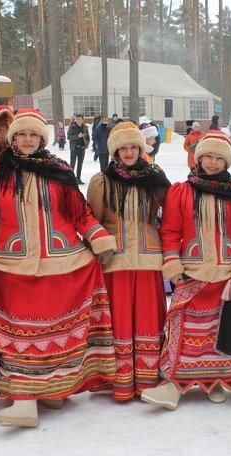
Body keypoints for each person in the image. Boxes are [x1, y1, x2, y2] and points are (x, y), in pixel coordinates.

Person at [0, 109, 117, 428]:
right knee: (21, 334)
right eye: (21, 135)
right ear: (13, 139)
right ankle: (24, 401)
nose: (26, 140)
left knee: (56, 333)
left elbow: (80, 215)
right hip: (13, 268)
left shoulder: (59, 171)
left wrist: (99, 239)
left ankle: (53, 388)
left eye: (33, 135)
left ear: (42, 139)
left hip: (63, 264)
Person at [140, 131, 231, 410]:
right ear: (198, 156)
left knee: (218, 333)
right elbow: (170, 231)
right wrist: (172, 264)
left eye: (220, 158)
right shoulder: (181, 191)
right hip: (192, 273)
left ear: (227, 161)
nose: (213, 162)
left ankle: (216, 380)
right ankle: (173, 385)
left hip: (228, 275)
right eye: (208, 156)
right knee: (184, 332)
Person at [87, 121, 171, 401]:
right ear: (114, 151)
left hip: (148, 261)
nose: (129, 152)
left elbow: (170, 217)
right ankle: (119, 380)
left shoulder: (156, 179)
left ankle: (147, 378)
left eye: (133, 146)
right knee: (119, 321)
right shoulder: (102, 182)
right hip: (116, 262)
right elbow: (93, 221)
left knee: (148, 320)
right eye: (123, 148)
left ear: (142, 148)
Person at [67, 114, 89, 184]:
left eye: (80, 119)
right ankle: (71, 179)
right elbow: (69, 137)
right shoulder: (72, 127)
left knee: (80, 164)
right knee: (72, 164)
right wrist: (77, 136)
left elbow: (88, 138)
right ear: (76, 119)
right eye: (77, 119)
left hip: (82, 149)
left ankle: (78, 179)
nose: (79, 120)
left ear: (82, 120)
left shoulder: (85, 127)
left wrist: (86, 145)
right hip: (74, 148)